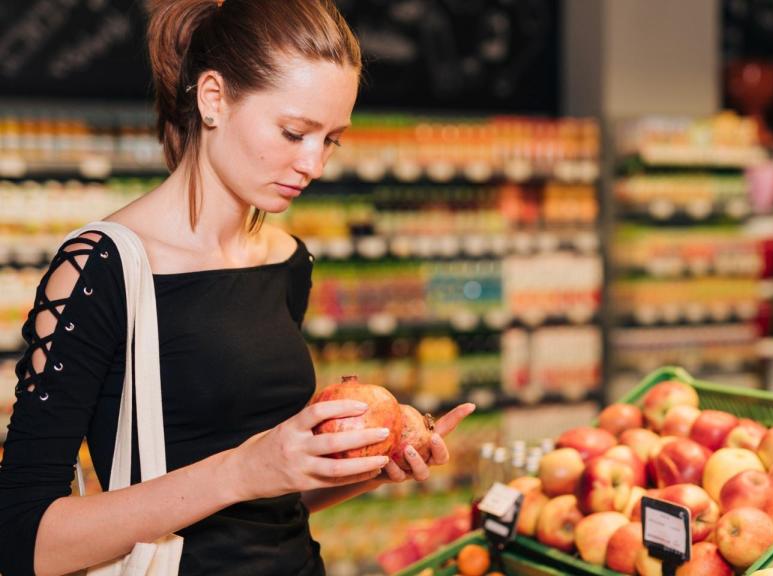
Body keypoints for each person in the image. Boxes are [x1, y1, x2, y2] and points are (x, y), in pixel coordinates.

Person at [0, 0, 475, 574]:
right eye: (294, 131)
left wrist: (363, 467)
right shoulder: (101, 271)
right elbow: (25, 540)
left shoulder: (287, 261)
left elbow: (269, 506)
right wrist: (242, 469)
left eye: (331, 140)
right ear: (213, 98)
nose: (313, 164)